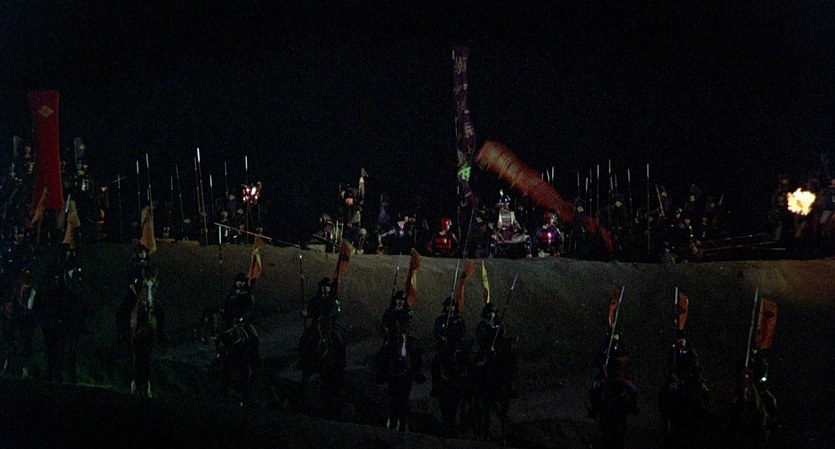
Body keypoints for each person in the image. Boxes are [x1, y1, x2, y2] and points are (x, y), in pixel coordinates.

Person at [489, 191, 531, 258]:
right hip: (500, 235)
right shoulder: (496, 214)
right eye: (503, 204)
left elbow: (515, 222)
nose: (505, 206)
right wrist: (494, 229)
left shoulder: (511, 213)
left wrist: (520, 228)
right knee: (493, 237)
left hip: (512, 235)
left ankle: (528, 254)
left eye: (506, 203)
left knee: (526, 237)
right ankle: (491, 254)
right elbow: (491, 224)